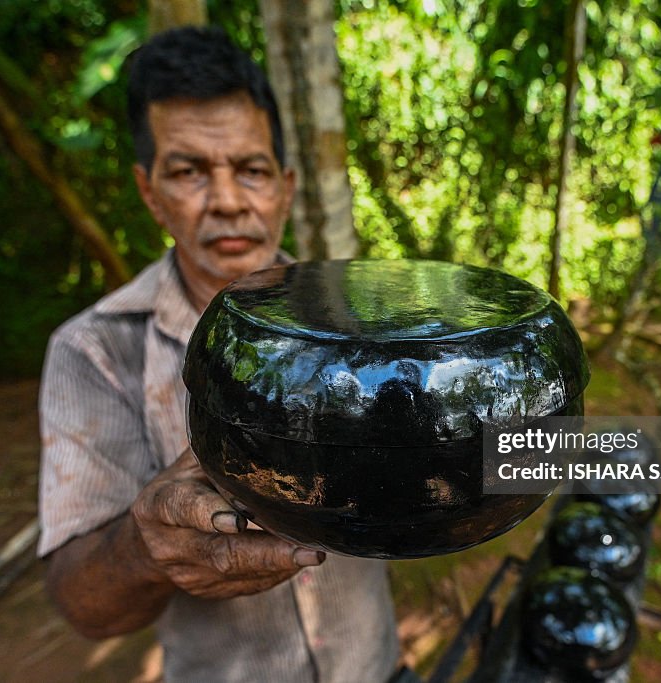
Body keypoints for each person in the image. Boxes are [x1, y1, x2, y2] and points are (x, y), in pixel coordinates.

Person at [37, 26, 399, 682]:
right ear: (151, 193)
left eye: (252, 170)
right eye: (189, 171)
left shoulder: (356, 318)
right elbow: (81, 603)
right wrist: (148, 544)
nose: (229, 201)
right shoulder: (94, 350)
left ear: (284, 189)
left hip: (377, 666)